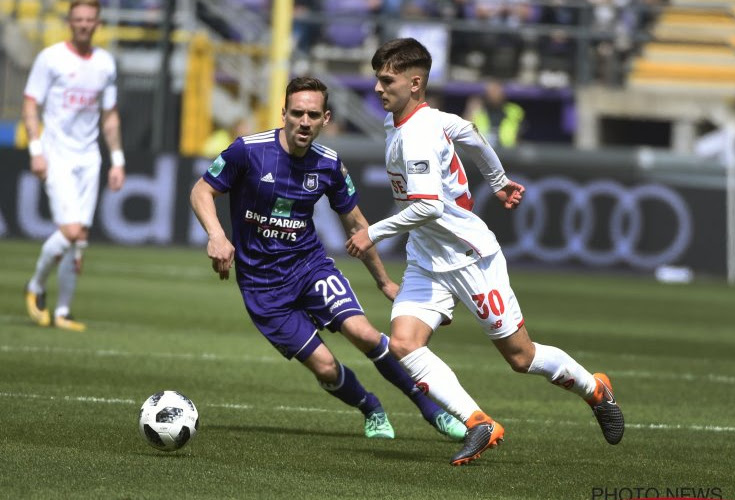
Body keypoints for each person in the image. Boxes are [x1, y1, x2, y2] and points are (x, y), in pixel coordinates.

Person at [346, 37, 624, 465]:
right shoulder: (418, 119)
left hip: (470, 257)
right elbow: (472, 134)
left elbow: (428, 206)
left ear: (415, 82)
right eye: (377, 79)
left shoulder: (416, 134)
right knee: (403, 343)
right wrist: (497, 180)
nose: (379, 88)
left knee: (520, 356)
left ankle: (595, 389)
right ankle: (478, 422)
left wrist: (374, 233)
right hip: (426, 256)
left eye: (387, 80)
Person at [190, 76, 465, 441]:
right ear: (283, 113)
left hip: (309, 267)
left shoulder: (329, 164)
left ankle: (431, 411)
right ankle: (371, 407)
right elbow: (201, 190)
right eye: (297, 113)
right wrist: (216, 235)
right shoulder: (248, 151)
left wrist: (383, 281)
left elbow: (357, 225)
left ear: (325, 118)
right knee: (325, 367)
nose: (304, 122)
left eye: (313, 115)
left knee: (364, 333)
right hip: (262, 287)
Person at [23, 0, 126, 332]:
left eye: (89, 19)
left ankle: (63, 311)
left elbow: (109, 116)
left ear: (98, 23)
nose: (83, 24)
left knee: (80, 237)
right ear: (70, 21)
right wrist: (36, 149)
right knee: (69, 231)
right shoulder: (50, 58)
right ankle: (35, 286)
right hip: (57, 155)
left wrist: (117, 160)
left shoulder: (105, 63)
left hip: (88, 158)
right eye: (78, 19)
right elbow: (30, 103)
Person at [463, 79, 524, 149]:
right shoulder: (478, 110)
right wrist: (470, 110)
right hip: (483, 150)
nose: (493, 94)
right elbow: (464, 132)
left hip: (509, 151)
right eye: (491, 91)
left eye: (496, 91)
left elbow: (519, 135)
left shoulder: (514, 110)